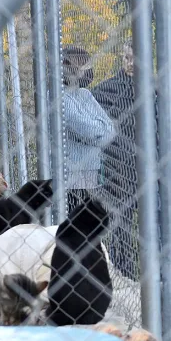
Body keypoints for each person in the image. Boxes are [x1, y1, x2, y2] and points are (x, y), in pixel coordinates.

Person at [92, 44, 142, 280]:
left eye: (135, 58)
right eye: (126, 57)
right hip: (117, 169)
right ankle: (123, 272)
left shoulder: (154, 90)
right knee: (121, 222)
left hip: (148, 167)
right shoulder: (106, 90)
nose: (130, 62)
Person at [61, 44, 115, 213]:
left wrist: (98, 130)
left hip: (92, 175)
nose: (88, 70)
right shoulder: (59, 97)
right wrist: (99, 128)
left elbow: (110, 130)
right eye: (84, 66)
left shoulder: (85, 94)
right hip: (71, 177)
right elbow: (88, 131)